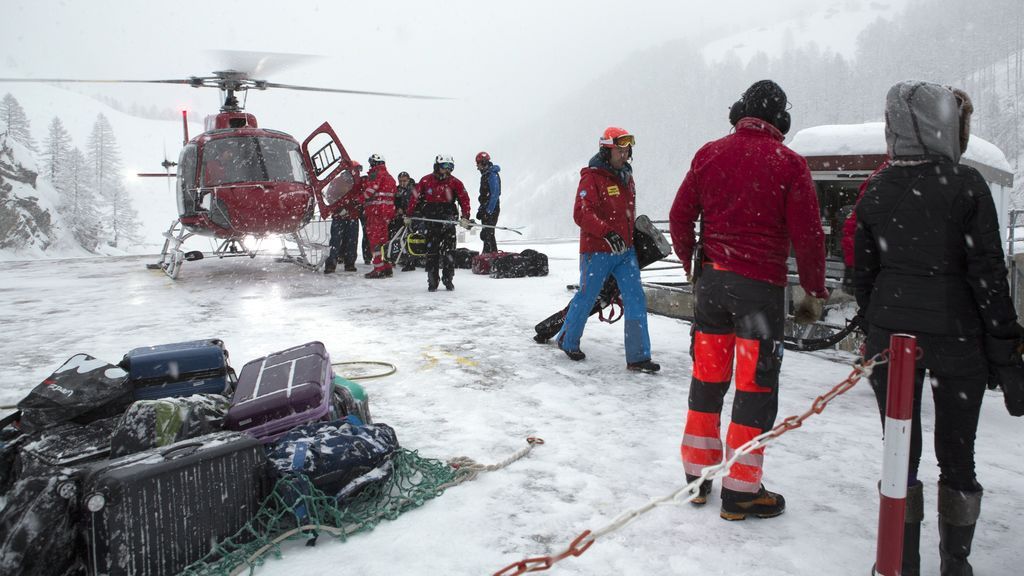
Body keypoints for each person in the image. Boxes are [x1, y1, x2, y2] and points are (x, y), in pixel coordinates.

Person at [854, 81, 1021, 576]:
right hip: (958, 339)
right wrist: (1005, 346)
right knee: (958, 454)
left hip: (892, 340)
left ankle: (900, 560)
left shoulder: (876, 188)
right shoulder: (967, 186)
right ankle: (957, 563)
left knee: (899, 453)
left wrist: (879, 323)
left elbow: (864, 275)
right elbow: (988, 274)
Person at [669, 80, 827, 521]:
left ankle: (698, 481)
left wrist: (691, 264)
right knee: (754, 389)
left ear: (739, 112)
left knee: (707, 380)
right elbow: (809, 237)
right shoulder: (789, 163)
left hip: (713, 286)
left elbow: (681, 217)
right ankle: (740, 492)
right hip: (759, 292)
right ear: (781, 121)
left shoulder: (709, 153)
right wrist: (814, 289)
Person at [554, 126, 660, 374]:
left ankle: (638, 357)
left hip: (625, 251)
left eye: (627, 150)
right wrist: (606, 231)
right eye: (619, 150)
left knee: (636, 298)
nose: (625, 155)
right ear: (607, 150)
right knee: (587, 296)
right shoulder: (592, 177)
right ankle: (567, 340)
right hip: (597, 251)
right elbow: (581, 213)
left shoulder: (626, 176)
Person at [405, 155, 472, 291]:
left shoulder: (455, 183)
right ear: (437, 166)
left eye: (450, 167)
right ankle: (432, 280)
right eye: (444, 167)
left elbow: (464, 200)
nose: (447, 170)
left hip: (448, 221)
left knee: (449, 253)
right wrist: (409, 214)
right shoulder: (426, 181)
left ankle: (448, 279)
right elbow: (414, 198)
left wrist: (465, 217)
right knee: (432, 253)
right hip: (431, 222)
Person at [324, 162, 365, 274]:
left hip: (353, 216)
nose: (357, 173)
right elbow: (329, 196)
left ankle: (350, 264)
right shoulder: (337, 182)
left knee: (352, 241)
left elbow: (361, 197)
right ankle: (331, 264)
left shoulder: (358, 182)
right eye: (356, 170)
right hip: (339, 216)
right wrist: (338, 209)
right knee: (335, 241)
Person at [361, 154, 397, 279]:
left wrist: (359, 199)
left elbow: (371, 191)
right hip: (386, 214)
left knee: (374, 241)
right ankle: (387, 267)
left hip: (375, 213)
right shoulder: (390, 177)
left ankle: (378, 269)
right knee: (383, 241)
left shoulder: (375, 174)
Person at [475, 151, 502, 254]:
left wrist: (488, 211)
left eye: (478, 164)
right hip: (486, 207)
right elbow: (485, 196)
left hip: (492, 208)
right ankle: (488, 253)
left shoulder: (492, 175)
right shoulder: (486, 175)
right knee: (487, 233)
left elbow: (494, 194)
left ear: (483, 163)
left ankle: (490, 254)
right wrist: (481, 210)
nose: (477, 167)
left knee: (488, 233)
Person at [394, 171, 419, 272]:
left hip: (414, 217)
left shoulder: (414, 188)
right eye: (400, 181)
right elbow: (396, 201)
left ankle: (411, 261)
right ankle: (404, 259)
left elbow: (417, 201)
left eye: (404, 181)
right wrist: (398, 209)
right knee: (402, 238)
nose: (402, 183)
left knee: (411, 239)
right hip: (403, 217)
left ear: (408, 180)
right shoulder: (398, 190)